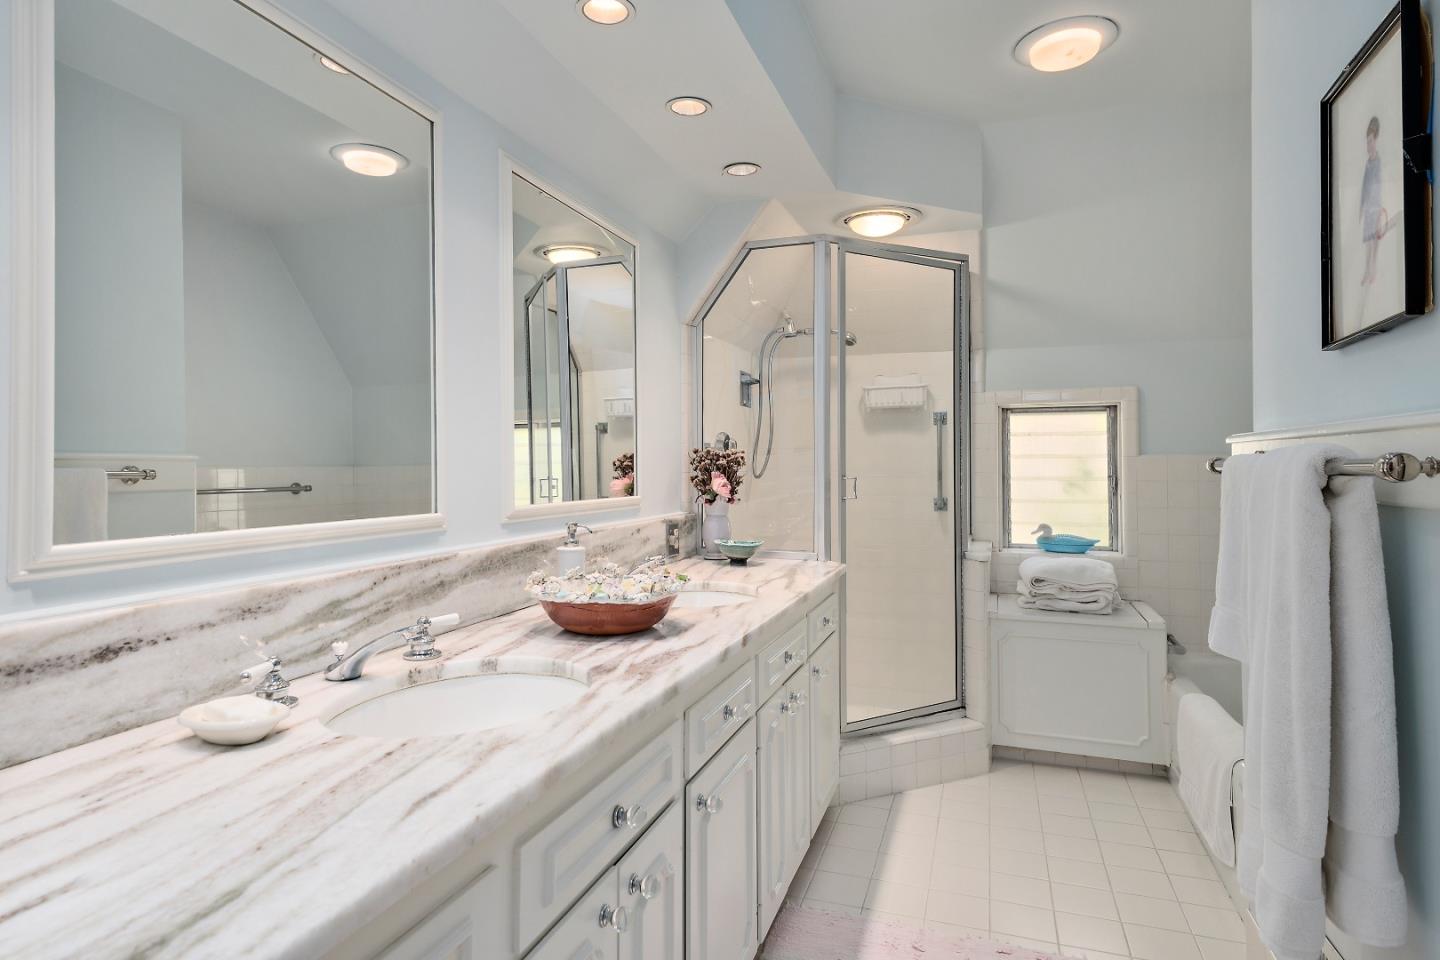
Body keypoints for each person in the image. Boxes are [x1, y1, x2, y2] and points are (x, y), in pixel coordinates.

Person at [1360, 115, 1387, 286]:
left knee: (1374, 244)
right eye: (1367, 142)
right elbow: (1364, 186)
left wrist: (1377, 211)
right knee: (1368, 244)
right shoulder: (1368, 163)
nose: (1368, 145)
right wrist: (1361, 207)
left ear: (1375, 141)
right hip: (1368, 208)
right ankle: (1367, 272)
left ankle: (1373, 272)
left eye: (1370, 141)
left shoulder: (1377, 162)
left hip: (1375, 208)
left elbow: (1377, 188)